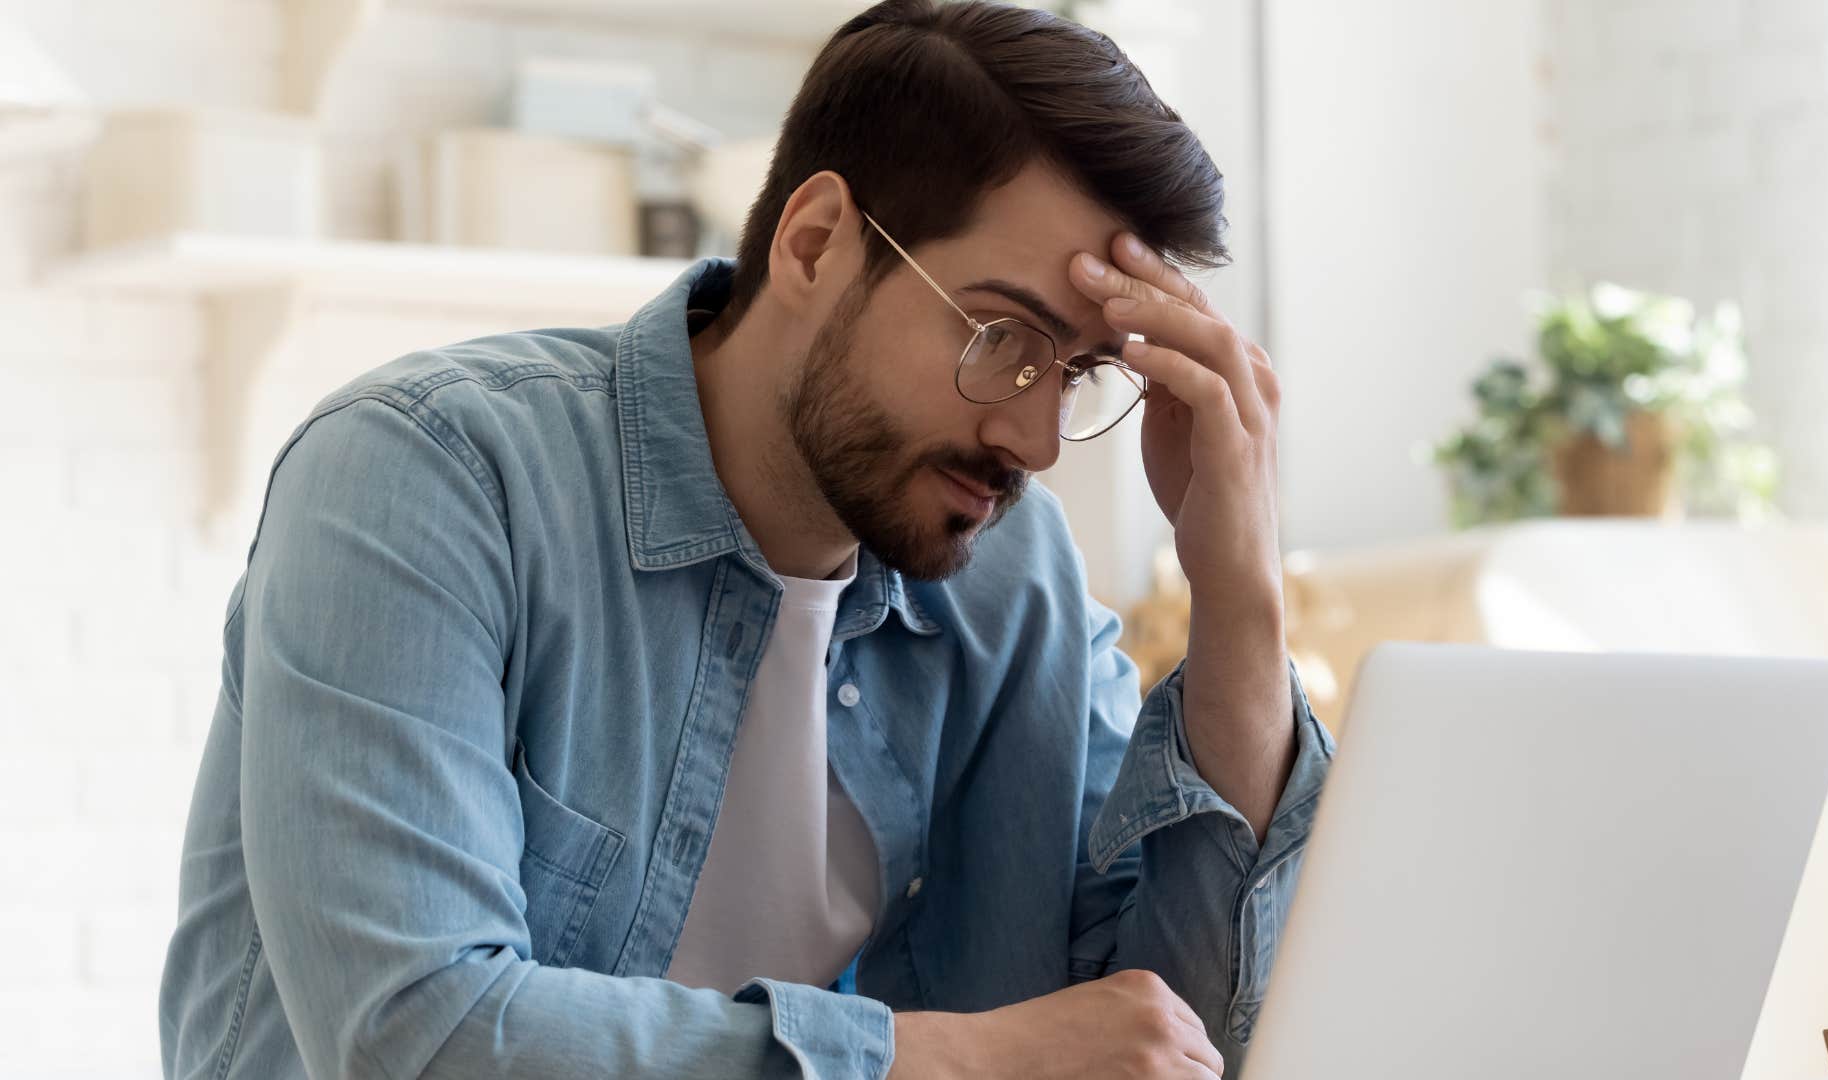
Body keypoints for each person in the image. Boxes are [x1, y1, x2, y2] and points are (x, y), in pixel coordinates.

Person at [157, 1, 1333, 1076]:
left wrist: (1237, 591)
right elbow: (417, 1033)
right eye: (1000, 338)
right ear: (816, 240)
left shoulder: (1007, 584)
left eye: (1072, 375)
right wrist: (966, 1062)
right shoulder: (426, 479)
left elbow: (1173, 1031)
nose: (1032, 439)